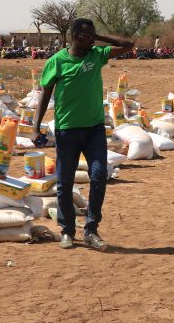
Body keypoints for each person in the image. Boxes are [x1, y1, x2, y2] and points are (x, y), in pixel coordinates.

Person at [33, 18, 133, 251]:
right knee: (64, 183)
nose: (92, 40)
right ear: (76, 36)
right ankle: (67, 230)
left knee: (98, 176)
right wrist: (35, 126)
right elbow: (45, 95)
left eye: (93, 36)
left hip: (94, 129)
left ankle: (91, 230)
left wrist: (98, 38)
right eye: (88, 35)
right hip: (67, 130)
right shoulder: (57, 62)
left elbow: (129, 45)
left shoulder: (96, 54)